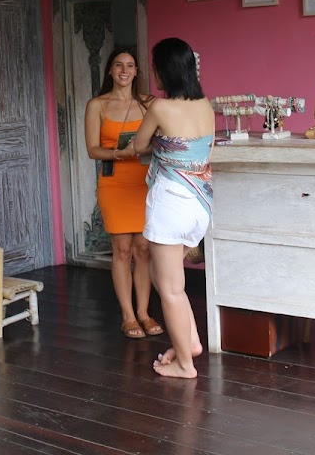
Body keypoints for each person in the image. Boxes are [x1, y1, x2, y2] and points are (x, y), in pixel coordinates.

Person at [130, 37, 214, 378]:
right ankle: (189, 343)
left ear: (163, 71)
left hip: (171, 204)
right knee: (163, 277)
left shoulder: (160, 108)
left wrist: (158, 142)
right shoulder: (205, 105)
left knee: (170, 289)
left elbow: (138, 145)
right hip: (200, 203)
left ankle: (185, 365)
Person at [84, 48, 163, 339]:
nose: (124, 70)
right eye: (118, 65)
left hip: (145, 182)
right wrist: (122, 153)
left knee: (143, 249)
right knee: (122, 250)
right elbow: (93, 150)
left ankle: (144, 313)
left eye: (130, 65)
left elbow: (164, 140)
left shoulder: (150, 104)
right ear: (110, 70)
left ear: (137, 71)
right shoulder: (97, 105)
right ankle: (128, 316)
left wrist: (146, 149)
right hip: (114, 183)